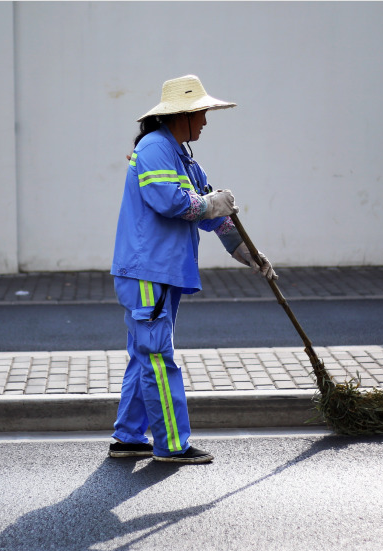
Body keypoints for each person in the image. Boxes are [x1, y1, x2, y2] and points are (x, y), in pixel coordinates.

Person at [109, 75, 276, 464]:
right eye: (201, 113)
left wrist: (250, 254)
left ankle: (129, 437)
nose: (205, 121)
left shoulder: (180, 155)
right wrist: (212, 204)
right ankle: (172, 445)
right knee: (156, 357)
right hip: (149, 272)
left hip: (159, 272)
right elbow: (172, 202)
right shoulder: (154, 149)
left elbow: (216, 219)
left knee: (144, 355)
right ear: (180, 115)